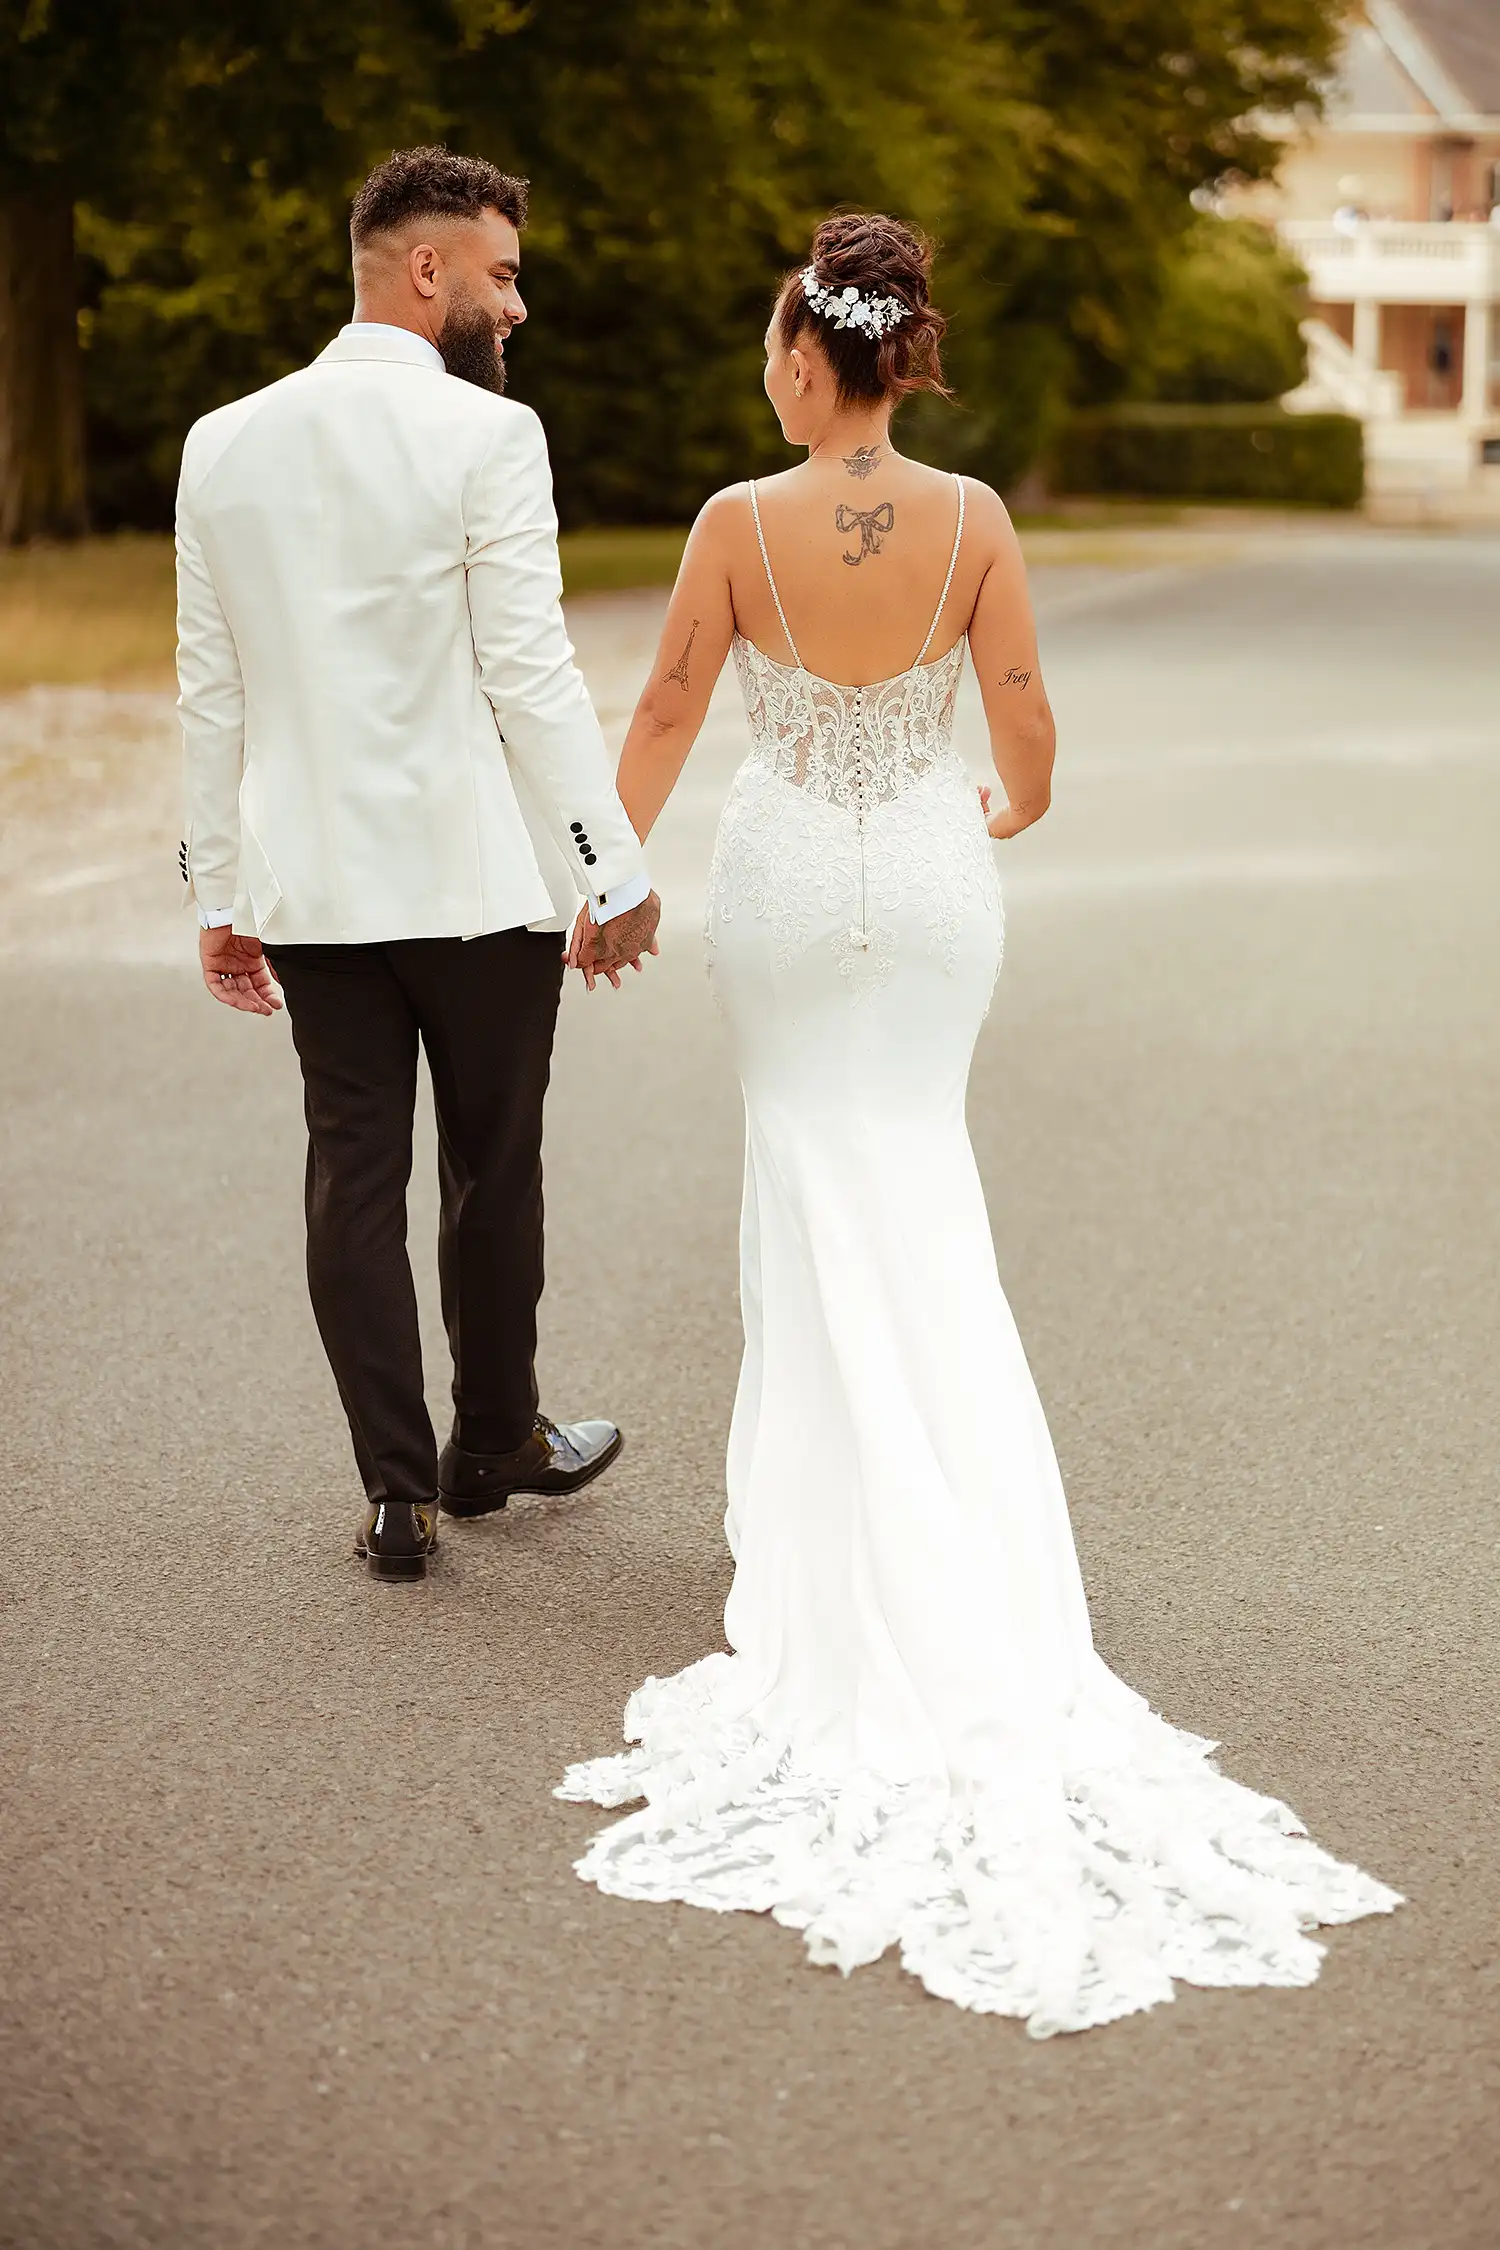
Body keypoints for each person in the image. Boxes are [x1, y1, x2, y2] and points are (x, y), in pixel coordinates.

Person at [560, 212, 1401, 2033]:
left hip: (787, 886)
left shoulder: (732, 526)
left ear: (805, 359)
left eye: (772, 346)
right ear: (901, 360)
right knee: (917, 1179)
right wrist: (1004, 809)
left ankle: (830, 1552)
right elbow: (1022, 718)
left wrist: (601, 872)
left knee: (807, 1175)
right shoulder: (974, 522)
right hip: (932, 888)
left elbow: (666, 708)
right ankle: (966, 1545)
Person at [176, 146, 660, 1581]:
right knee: (491, 1171)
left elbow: (212, 690)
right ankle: (494, 1437)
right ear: (428, 269)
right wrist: (609, 865)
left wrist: (220, 890)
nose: (520, 307)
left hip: (315, 892)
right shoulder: (488, 441)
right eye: (504, 274)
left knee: (350, 1175)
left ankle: (397, 1496)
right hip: (474, 888)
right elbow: (532, 674)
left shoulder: (224, 442)